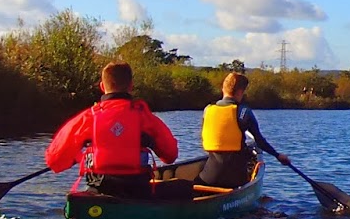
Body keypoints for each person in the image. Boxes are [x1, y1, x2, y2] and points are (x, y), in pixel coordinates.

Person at [44, 60, 179, 197]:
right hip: (138, 189)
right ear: (131, 86)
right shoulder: (146, 118)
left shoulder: (87, 118)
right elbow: (171, 156)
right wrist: (151, 142)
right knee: (182, 187)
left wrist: (78, 156)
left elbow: (54, 161)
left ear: (102, 86)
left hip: (100, 188)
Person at [199, 70, 292, 188]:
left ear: (223, 88)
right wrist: (278, 155)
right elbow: (260, 141)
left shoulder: (208, 110)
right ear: (240, 92)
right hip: (234, 179)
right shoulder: (244, 112)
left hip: (209, 177)